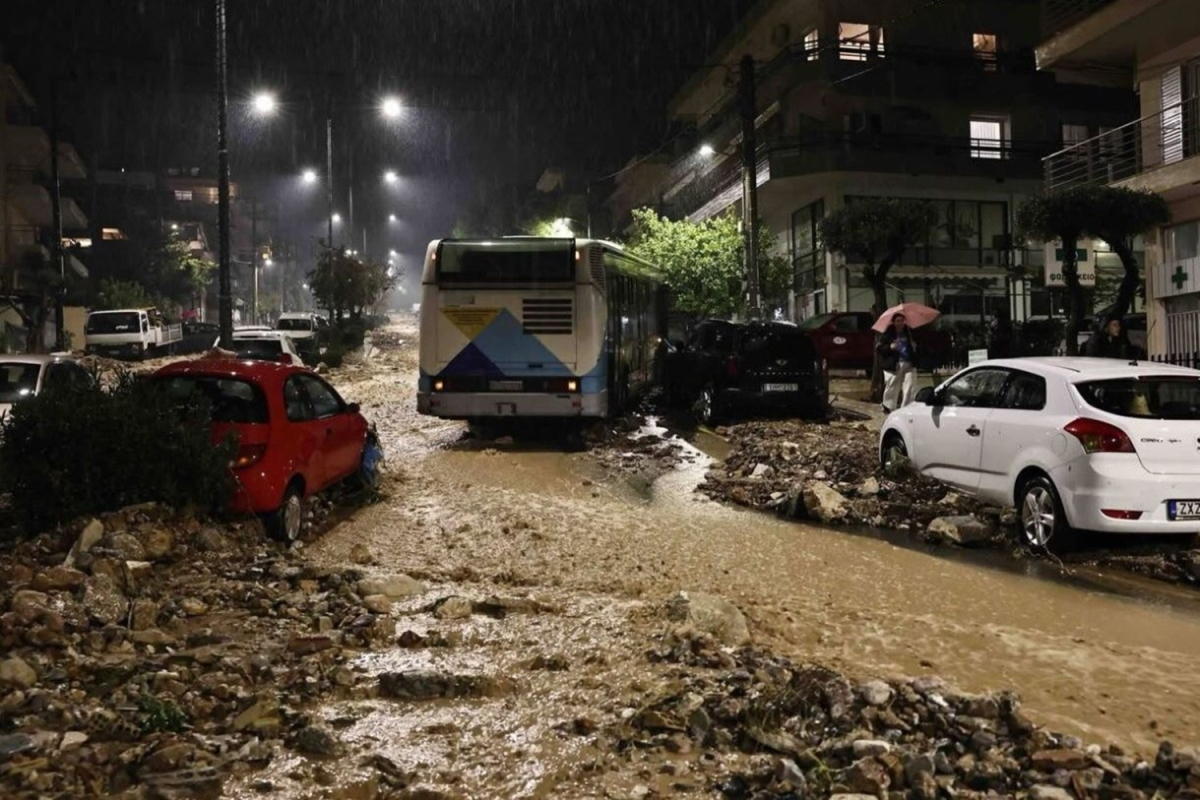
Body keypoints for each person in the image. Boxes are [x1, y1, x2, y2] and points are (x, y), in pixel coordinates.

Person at [878, 312, 918, 412]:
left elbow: (918, 346)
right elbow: (879, 348)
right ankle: (888, 406)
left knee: (910, 385)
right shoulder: (888, 334)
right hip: (895, 363)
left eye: (902, 320)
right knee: (893, 385)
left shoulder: (909, 333)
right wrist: (890, 347)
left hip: (909, 362)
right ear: (894, 322)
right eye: (898, 321)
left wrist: (915, 346)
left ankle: (906, 407)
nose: (900, 323)